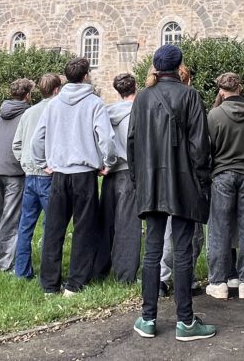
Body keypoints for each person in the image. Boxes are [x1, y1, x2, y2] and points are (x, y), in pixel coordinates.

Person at [128, 45, 216, 341]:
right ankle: (185, 321)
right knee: (181, 251)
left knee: (153, 250)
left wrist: (138, 179)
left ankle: (148, 317)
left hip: (151, 183)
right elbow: (200, 147)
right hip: (182, 183)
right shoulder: (189, 96)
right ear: (179, 66)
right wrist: (202, 181)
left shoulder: (142, 98)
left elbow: (132, 143)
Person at [30, 57, 116, 296]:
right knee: (84, 228)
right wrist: (108, 162)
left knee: (54, 229)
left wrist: (42, 163)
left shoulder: (53, 104)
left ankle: (49, 283)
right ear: (86, 75)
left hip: (59, 174)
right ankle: (75, 283)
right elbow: (106, 139)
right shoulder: (94, 103)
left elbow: (38, 138)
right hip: (84, 174)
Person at [205, 72, 244, 300]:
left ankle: (219, 281)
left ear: (221, 90)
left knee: (220, 227)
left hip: (222, 174)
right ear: (240, 88)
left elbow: (208, 149)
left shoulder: (214, 115)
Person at [159, 62, 205, 294]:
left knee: (167, 228)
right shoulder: (190, 99)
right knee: (190, 232)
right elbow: (199, 143)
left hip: (161, 175)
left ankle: (163, 276)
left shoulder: (152, 99)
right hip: (186, 175)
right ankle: (187, 278)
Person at [93, 73, 142, 284]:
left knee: (107, 223)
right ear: (136, 88)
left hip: (110, 172)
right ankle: (125, 275)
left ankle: (100, 268)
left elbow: (100, 138)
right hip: (129, 171)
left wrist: (104, 163)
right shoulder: (140, 113)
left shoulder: (107, 112)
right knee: (128, 225)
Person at [12, 73, 62, 280]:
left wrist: (25, 162)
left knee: (26, 226)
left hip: (30, 174)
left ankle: (22, 271)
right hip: (47, 175)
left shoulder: (29, 112)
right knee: (51, 226)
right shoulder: (56, 111)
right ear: (57, 90)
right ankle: (48, 273)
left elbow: (17, 144)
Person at [0, 78, 34, 271]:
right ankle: (4, 262)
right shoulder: (27, 115)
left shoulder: (1, 115)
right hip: (15, 172)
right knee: (10, 218)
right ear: (27, 95)